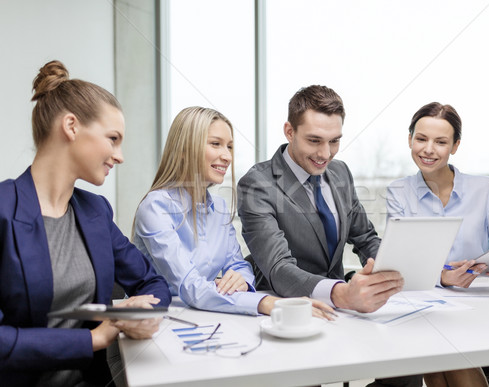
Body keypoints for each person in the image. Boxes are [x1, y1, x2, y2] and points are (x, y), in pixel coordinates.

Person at [0, 60, 171, 387]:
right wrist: (94, 339)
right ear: (71, 126)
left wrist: (142, 312)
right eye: (113, 138)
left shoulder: (95, 211)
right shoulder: (3, 209)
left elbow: (153, 283)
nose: (119, 155)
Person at [238, 85, 421, 387]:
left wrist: (386, 266)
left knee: (408, 366)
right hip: (289, 312)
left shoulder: (339, 173)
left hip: (342, 309)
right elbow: (278, 269)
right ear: (289, 131)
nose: (325, 154)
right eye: (314, 141)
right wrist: (341, 293)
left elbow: (365, 237)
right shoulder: (257, 185)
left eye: (334, 141)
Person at [134, 106, 334, 318]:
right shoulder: (155, 207)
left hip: (209, 314)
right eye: (215, 144)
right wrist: (269, 303)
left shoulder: (219, 208)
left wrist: (241, 280)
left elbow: (238, 264)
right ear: (184, 149)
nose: (227, 156)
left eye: (229, 147)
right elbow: (190, 286)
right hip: (158, 321)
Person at [387, 102, 489, 289]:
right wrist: (442, 278)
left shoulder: (485, 189)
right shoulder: (398, 191)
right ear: (410, 140)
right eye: (421, 139)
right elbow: (398, 263)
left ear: (455, 146)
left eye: (441, 142)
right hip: (422, 296)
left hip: (479, 297)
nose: (428, 149)